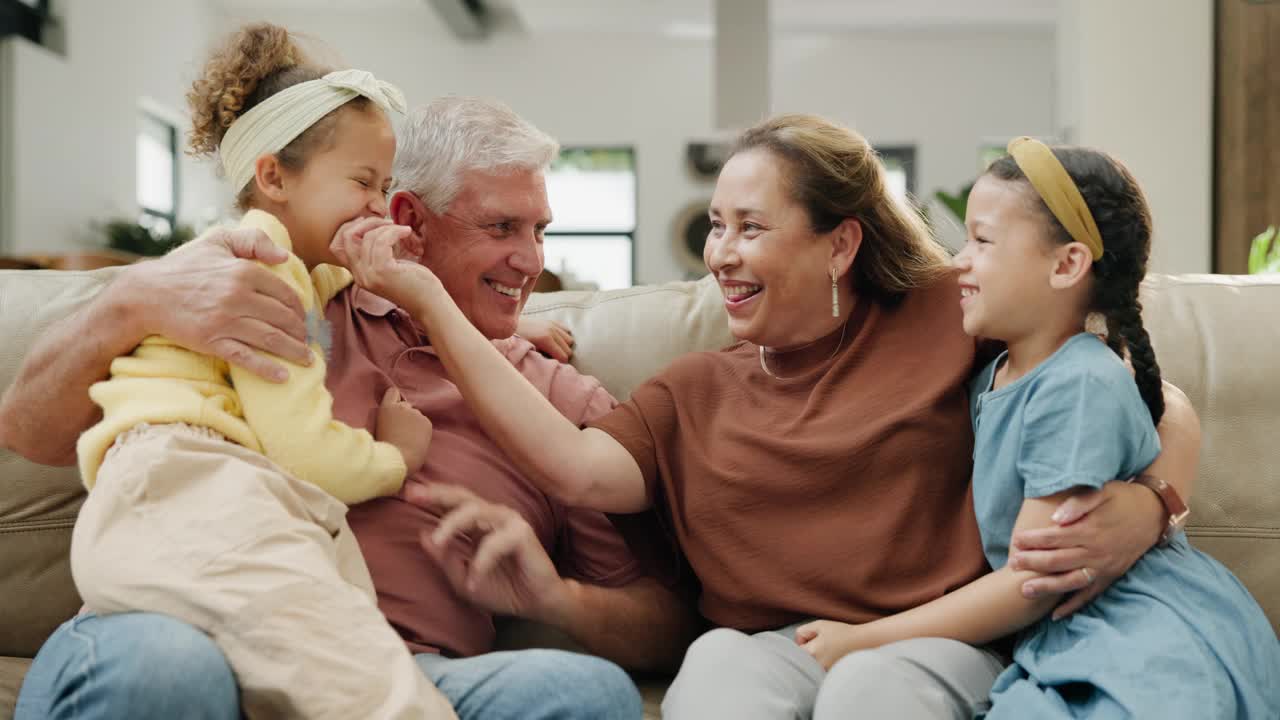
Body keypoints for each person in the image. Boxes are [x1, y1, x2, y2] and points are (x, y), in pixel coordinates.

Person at [334, 113, 1204, 720]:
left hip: (930, 637)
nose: (721, 254)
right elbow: (574, 469)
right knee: (715, 673)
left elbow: (1141, 393)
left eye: (751, 226)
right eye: (716, 226)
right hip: (759, 641)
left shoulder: (951, 310)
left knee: (874, 693)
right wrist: (430, 303)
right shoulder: (693, 391)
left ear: (840, 243)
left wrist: (1150, 503)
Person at [6, 89, 685, 720]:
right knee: (163, 669)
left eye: (540, 230)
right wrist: (129, 303)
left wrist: (557, 600)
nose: (530, 260)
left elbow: (664, 621)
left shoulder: (560, 400)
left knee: (585, 694)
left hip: (400, 671)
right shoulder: (292, 297)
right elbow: (29, 432)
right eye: (502, 227)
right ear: (407, 220)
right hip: (185, 632)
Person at [795, 138, 1280, 717]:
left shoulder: (1077, 384)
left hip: (1139, 634)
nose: (959, 261)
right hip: (1067, 636)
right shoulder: (996, 371)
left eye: (983, 240)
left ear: (1067, 264)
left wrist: (865, 638)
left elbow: (1034, 579)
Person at [66, 23, 456, 719]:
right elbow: (304, 452)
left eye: (386, 185)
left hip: (183, 498)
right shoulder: (263, 266)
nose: (376, 203)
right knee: (369, 685)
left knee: (340, 654)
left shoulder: (277, 260)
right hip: (185, 485)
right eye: (363, 182)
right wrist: (396, 455)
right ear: (274, 177)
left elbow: (346, 278)